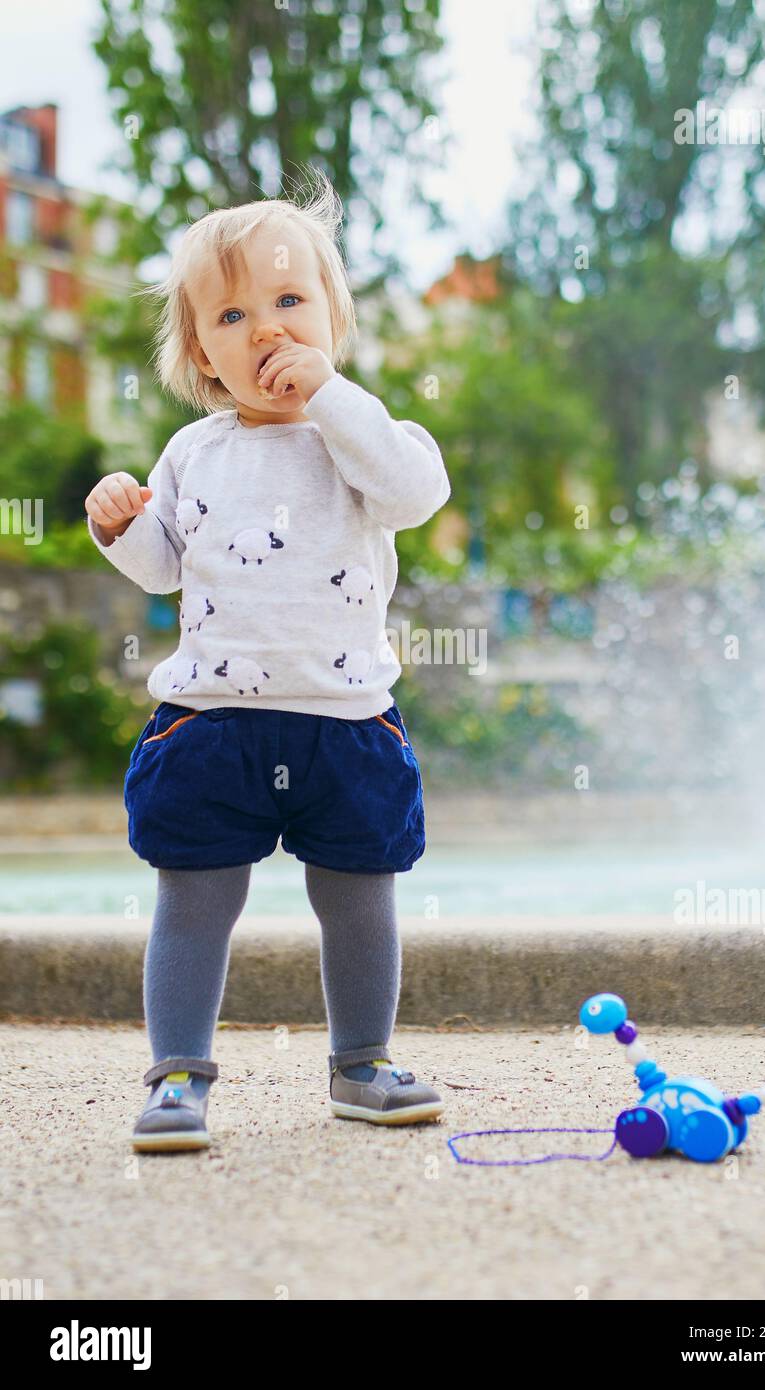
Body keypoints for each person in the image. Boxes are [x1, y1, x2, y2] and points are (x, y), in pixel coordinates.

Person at [84, 172, 450, 1151]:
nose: (265, 330)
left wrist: (331, 396)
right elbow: (164, 565)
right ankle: (175, 1075)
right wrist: (122, 526)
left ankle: (362, 1060)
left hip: (344, 721)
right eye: (233, 313)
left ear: (333, 314)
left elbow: (414, 491)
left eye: (290, 301)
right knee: (195, 897)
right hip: (211, 721)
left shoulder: (360, 439)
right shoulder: (191, 453)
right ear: (200, 349)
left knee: (357, 894)